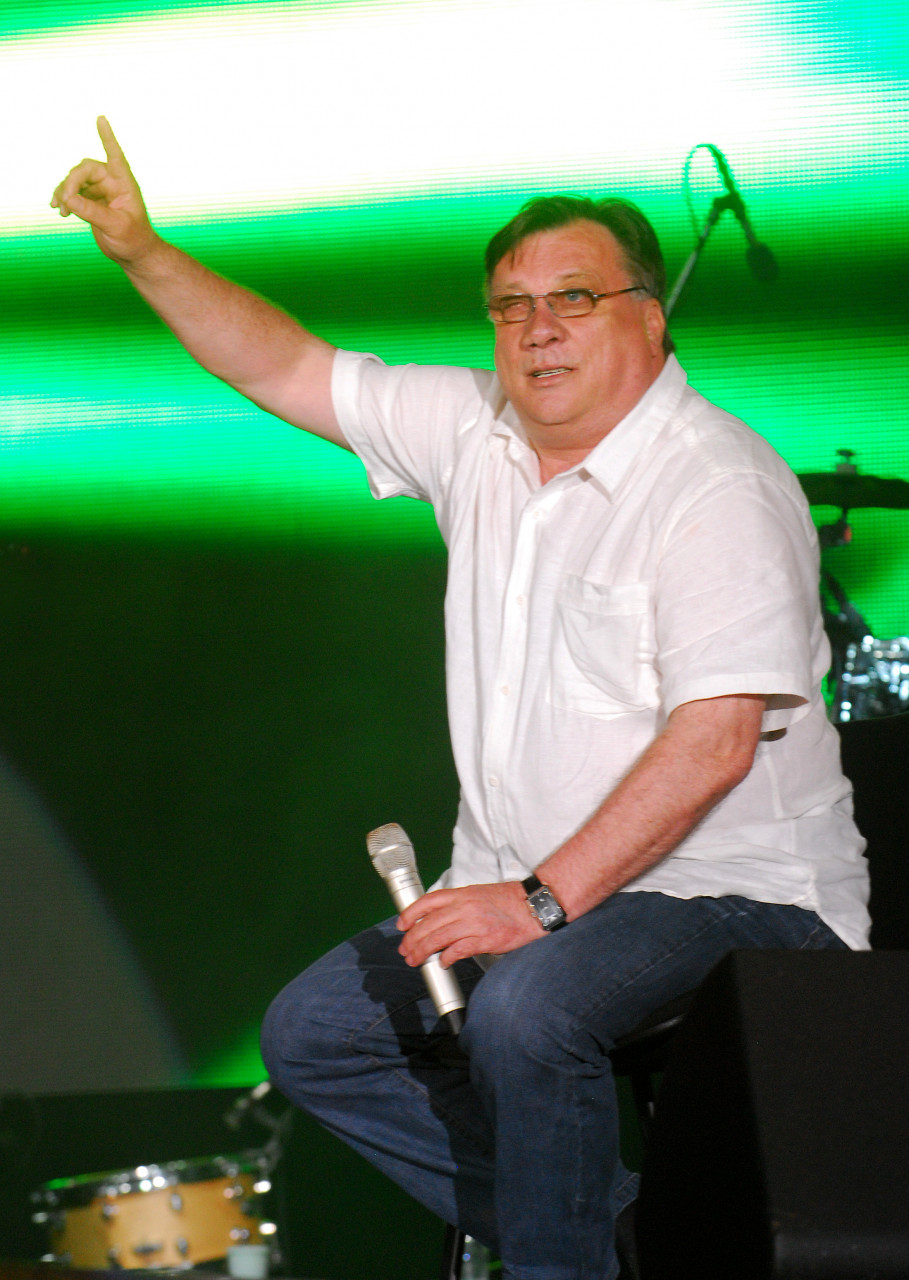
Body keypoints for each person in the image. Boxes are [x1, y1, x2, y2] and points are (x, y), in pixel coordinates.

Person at [53, 119, 870, 1280]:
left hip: (733, 888)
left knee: (525, 1008)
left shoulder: (716, 483)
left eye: (574, 298)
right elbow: (283, 365)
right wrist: (143, 251)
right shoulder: (476, 429)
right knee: (314, 1032)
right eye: (511, 305)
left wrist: (536, 902)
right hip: (537, 887)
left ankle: (565, 1254)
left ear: (651, 316)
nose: (538, 328)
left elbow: (716, 743)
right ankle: (626, 1236)